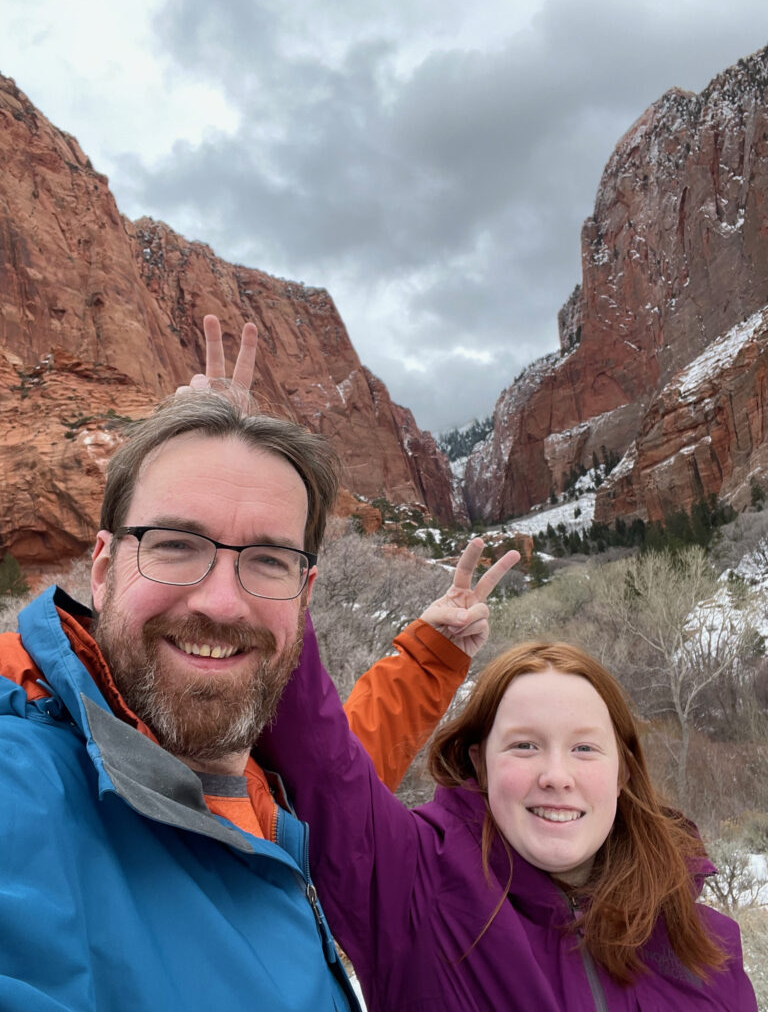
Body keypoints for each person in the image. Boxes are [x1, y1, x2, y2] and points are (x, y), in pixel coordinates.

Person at [0, 334, 518, 1010]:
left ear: (303, 599)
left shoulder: (269, 788)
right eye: (177, 545)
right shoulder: (26, 785)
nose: (221, 601)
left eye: (268, 560)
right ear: (103, 570)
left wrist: (431, 656)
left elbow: (343, 766)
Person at [257, 632, 759, 1010]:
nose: (556, 776)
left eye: (584, 748)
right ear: (480, 761)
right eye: (525, 746)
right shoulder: (413, 889)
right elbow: (317, 758)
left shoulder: (704, 945)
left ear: (623, 769)